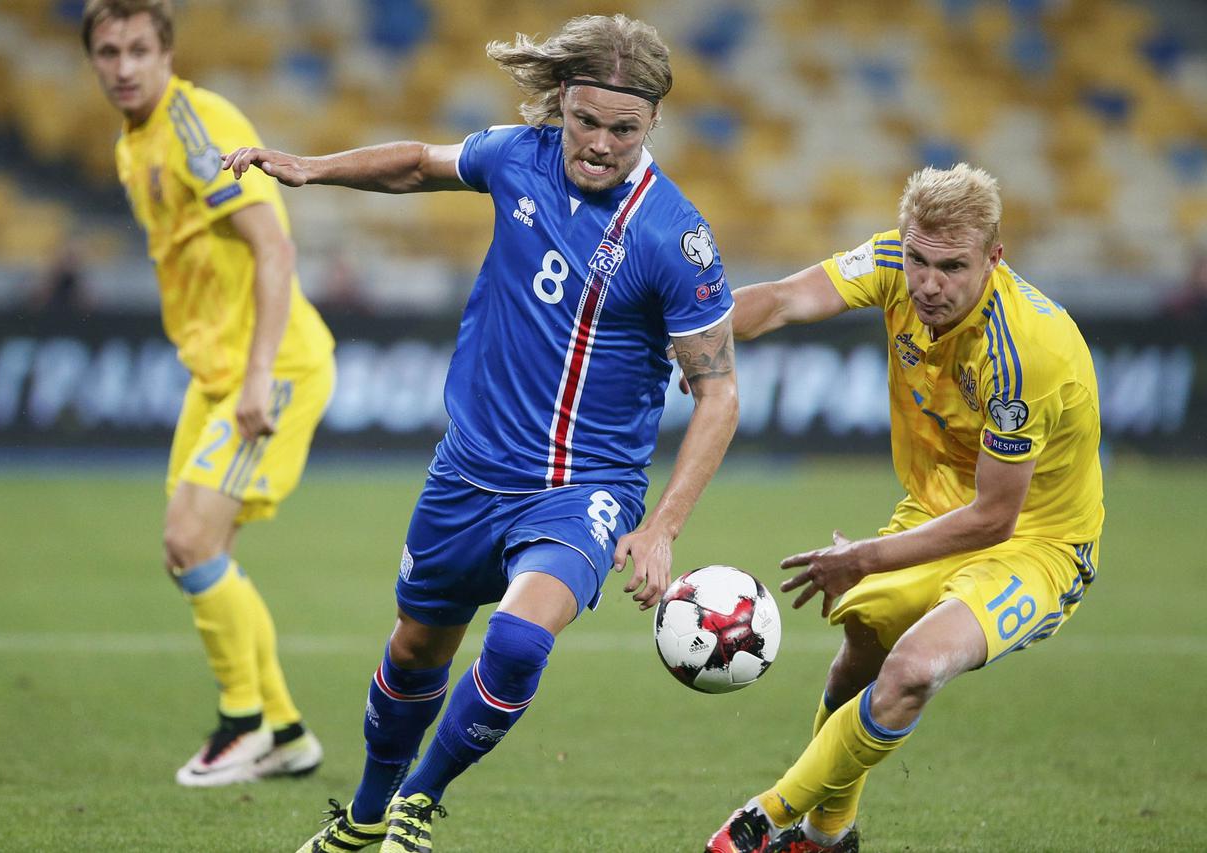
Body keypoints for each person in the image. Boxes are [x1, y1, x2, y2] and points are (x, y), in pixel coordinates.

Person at [224, 13, 739, 852]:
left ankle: (417, 806)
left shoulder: (673, 237)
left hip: (584, 488)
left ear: (653, 125)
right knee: (416, 647)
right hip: (467, 473)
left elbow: (719, 394)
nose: (600, 145)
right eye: (585, 121)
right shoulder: (516, 156)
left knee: (517, 636)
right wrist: (310, 169)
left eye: (623, 129)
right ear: (562, 105)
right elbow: (417, 166)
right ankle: (361, 816)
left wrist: (661, 527)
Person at [705, 163, 1104, 853]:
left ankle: (763, 821)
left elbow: (994, 519)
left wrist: (860, 555)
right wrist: (682, 343)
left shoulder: (1026, 353)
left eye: (951, 266)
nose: (927, 282)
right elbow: (784, 300)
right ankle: (830, 834)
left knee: (915, 668)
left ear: (994, 258)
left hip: (1039, 542)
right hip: (933, 506)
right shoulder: (894, 258)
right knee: (860, 646)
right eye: (918, 259)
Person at [83, 0, 333, 787]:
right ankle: (286, 731)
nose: (122, 66)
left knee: (190, 541)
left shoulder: (197, 127)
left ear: (166, 54)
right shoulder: (134, 143)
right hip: (217, 371)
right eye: (107, 51)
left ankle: (244, 722)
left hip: (272, 368)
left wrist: (259, 374)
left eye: (137, 50)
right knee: (196, 549)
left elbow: (274, 247)